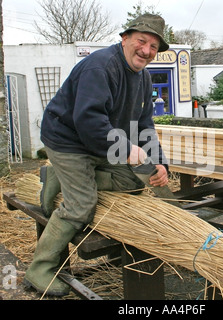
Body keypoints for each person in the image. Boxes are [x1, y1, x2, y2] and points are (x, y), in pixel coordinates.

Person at [24, 13, 170, 296]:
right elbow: (88, 120)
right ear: (125, 38)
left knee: (138, 179)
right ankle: (39, 269)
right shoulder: (100, 67)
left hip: (101, 142)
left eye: (153, 47)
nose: (146, 51)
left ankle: (60, 176)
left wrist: (159, 163)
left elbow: (144, 126)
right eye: (142, 41)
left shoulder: (144, 78)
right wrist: (127, 150)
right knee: (81, 206)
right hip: (68, 140)